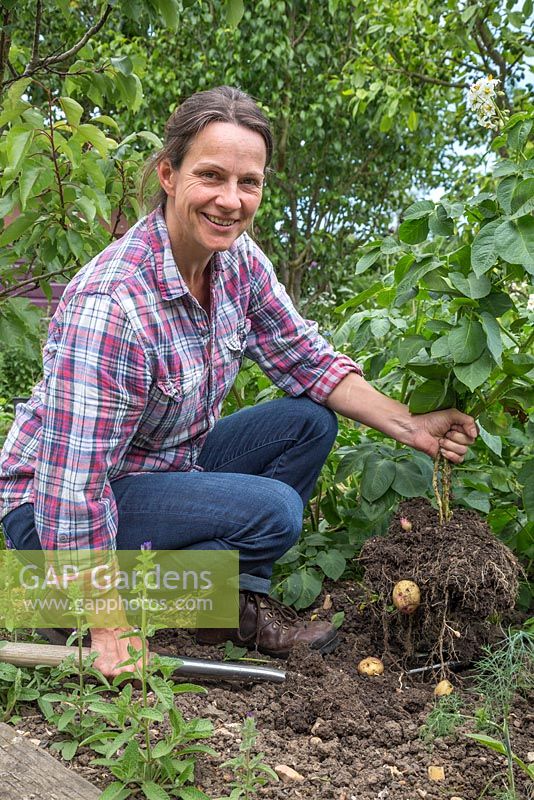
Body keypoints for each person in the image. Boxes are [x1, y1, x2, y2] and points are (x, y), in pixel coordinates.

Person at [0, 86, 477, 678]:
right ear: (169, 175)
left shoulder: (238, 262)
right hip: (47, 520)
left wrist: (414, 427)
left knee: (306, 423)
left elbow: (305, 358)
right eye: (211, 176)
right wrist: (107, 627)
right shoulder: (114, 305)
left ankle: (224, 605)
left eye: (247, 182)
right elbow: (72, 487)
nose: (230, 200)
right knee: (274, 512)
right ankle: (66, 601)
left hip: (155, 469)